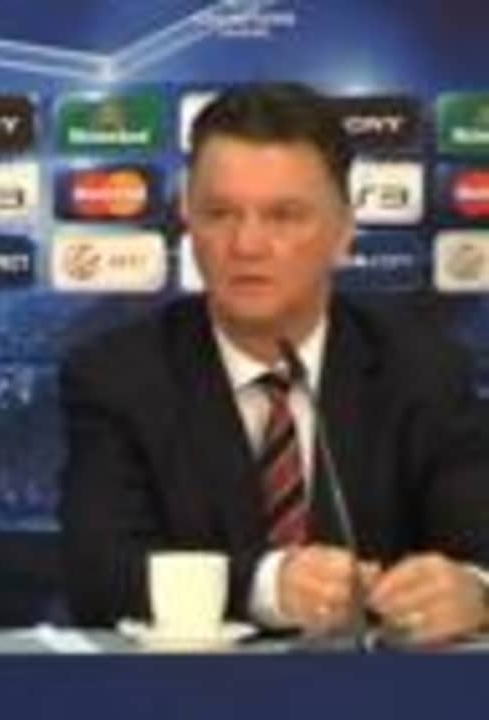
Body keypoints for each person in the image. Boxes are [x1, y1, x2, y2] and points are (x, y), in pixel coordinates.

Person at [59, 82, 489, 645]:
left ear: (344, 232)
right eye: (220, 213)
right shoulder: (119, 375)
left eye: (284, 216)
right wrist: (269, 587)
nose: (247, 245)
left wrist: (474, 592)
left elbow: (478, 549)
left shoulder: (423, 372)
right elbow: (99, 576)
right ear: (188, 222)